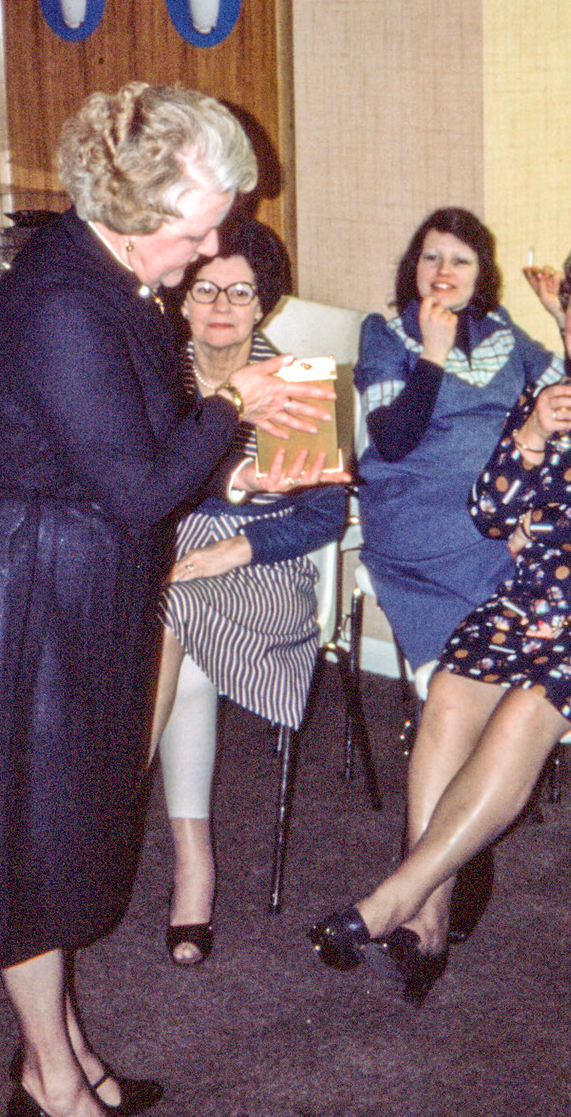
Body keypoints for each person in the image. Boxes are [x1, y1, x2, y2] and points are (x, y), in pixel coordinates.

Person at [0, 83, 335, 1117]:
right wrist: (235, 406)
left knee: (52, 833)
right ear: (138, 214)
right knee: (25, 842)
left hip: (63, 572)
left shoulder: (108, 280)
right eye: (200, 224)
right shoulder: (63, 305)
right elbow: (138, 491)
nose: (214, 241)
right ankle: (51, 1079)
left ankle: (62, 1052)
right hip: (16, 593)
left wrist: (234, 472)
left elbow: (126, 453)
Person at [310, 227, 571, 1005]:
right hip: (535, 600)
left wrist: (549, 548)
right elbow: (490, 511)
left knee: (524, 711)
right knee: (450, 694)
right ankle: (429, 922)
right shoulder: (545, 395)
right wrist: (526, 437)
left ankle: (398, 895)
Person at [150, 215, 349, 966]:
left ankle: (108, 810)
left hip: (263, 569)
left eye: (241, 291)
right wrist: (228, 489)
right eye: (206, 290)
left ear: (264, 302)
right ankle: (191, 864)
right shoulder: (154, 374)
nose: (223, 306)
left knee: (165, 608)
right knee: (171, 627)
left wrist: (238, 539)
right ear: (181, 297)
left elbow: (324, 514)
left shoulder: (296, 382)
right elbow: (139, 488)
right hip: (168, 555)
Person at [354, 207, 565, 679]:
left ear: (481, 274)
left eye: (461, 260)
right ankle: (502, 660)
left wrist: (561, 316)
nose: (445, 271)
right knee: (533, 548)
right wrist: (432, 353)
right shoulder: (387, 335)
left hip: (500, 497)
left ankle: (517, 671)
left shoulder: (504, 334)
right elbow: (391, 441)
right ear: (414, 268)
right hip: (418, 507)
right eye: (432, 257)